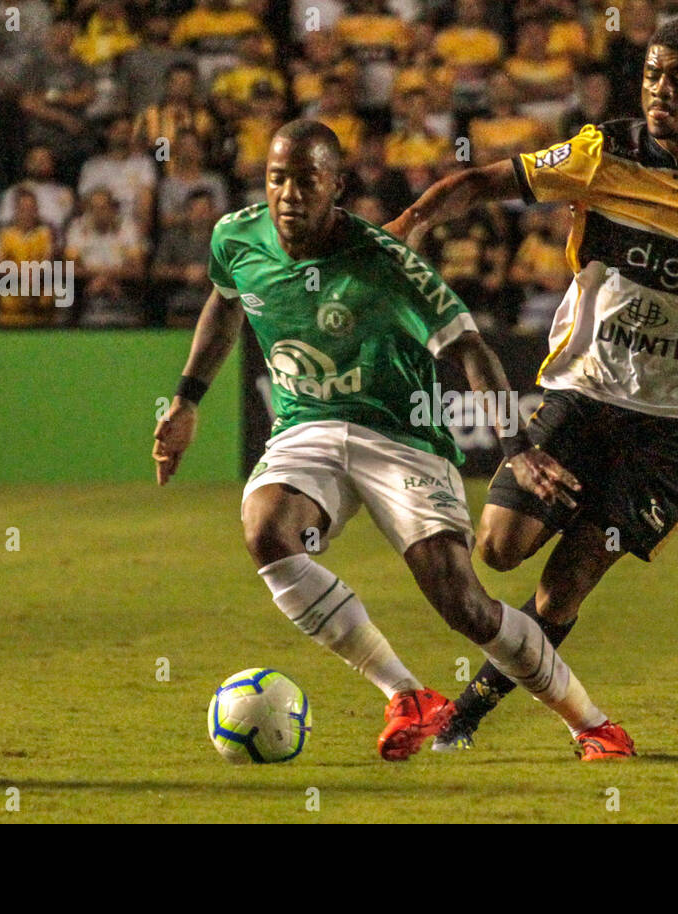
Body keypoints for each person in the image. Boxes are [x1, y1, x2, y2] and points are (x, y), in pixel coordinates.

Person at [151, 120, 634, 762]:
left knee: (463, 603)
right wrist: (187, 398)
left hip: (401, 435)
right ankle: (406, 693)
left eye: (306, 180)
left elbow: (470, 347)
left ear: (337, 186)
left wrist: (516, 447)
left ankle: (591, 723)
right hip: (307, 424)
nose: (288, 194)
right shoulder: (236, 237)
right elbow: (224, 302)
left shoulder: (384, 260)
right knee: (267, 528)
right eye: (277, 179)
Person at [385, 16, 678, 751]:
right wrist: (408, 223)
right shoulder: (604, 152)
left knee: (565, 588)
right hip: (585, 393)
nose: (661, 89)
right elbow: (485, 180)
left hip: (673, 423)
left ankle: (465, 715)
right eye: (653, 74)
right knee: (499, 548)